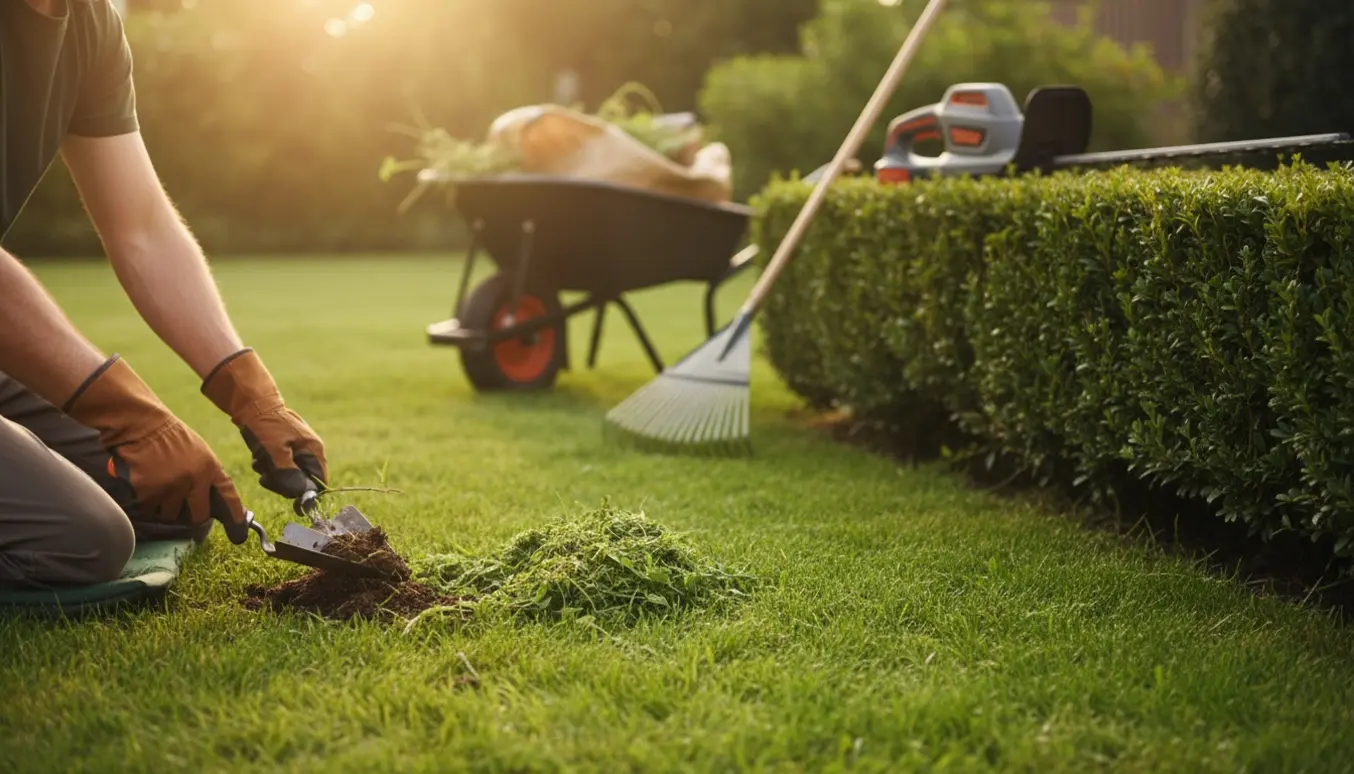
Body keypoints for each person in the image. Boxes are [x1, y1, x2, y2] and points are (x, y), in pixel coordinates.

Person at [0, 0, 327, 588]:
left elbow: (142, 228)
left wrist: (250, 392)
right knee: (79, 538)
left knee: (165, 497)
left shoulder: (90, 24)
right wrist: (128, 414)